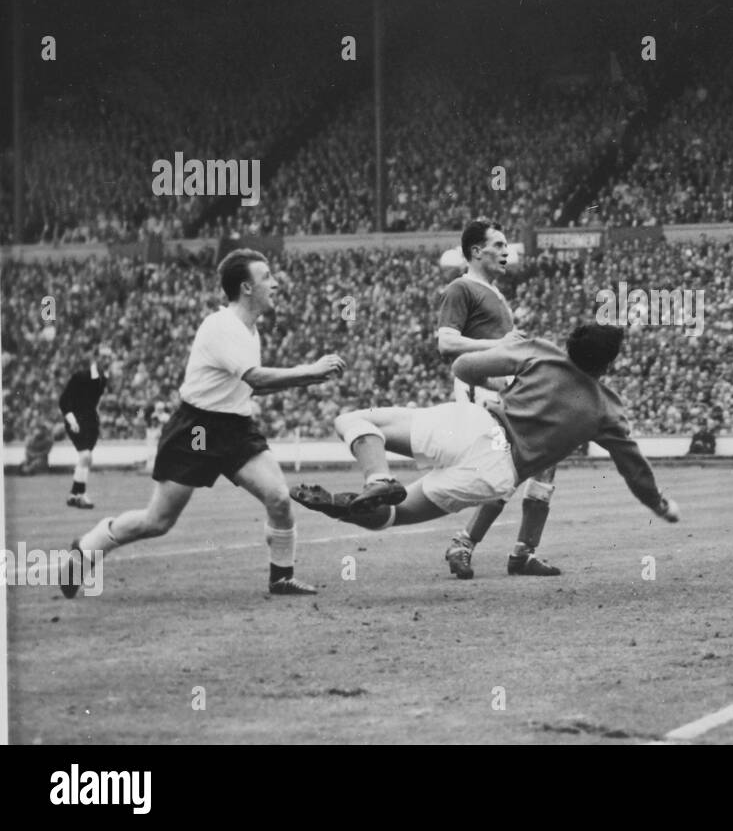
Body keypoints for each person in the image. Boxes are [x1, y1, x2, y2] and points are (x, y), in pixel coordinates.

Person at [59, 249, 346, 598]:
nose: (276, 283)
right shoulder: (221, 325)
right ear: (247, 288)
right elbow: (255, 379)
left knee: (279, 499)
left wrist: (307, 379)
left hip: (236, 428)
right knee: (157, 522)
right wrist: (308, 372)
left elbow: (245, 388)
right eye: (267, 276)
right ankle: (86, 549)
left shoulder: (250, 331)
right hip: (196, 430)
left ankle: (281, 577)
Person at [291, 324, 681, 536]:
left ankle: (378, 477)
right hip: (497, 471)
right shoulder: (607, 409)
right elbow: (634, 470)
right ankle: (343, 507)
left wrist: (509, 385)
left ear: (570, 345)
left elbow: (463, 368)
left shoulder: (540, 352)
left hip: (476, 424)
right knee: (394, 516)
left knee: (353, 420)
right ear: (608, 365)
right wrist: (659, 505)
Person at [436, 220, 561, 579]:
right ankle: (468, 544)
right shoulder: (461, 288)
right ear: (477, 251)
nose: (508, 251)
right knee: (514, 467)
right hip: (485, 389)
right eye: (500, 244)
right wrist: (502, 345)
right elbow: (446, 342)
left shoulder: (494, 293)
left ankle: (521, 551)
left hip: (508, 387)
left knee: (545, 459)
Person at [59, 344, 113, 508]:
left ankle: (73, 495)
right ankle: (81, 495)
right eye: (103, 357)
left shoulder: (104, 378)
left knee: (86, 458)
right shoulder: (81, 376)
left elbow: (93, 403)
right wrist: (72, 420)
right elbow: (63, 401)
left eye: (108, 357)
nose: (106, 360)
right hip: (76, 420)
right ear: (96, 358)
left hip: (90, 422)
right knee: (85, 457)